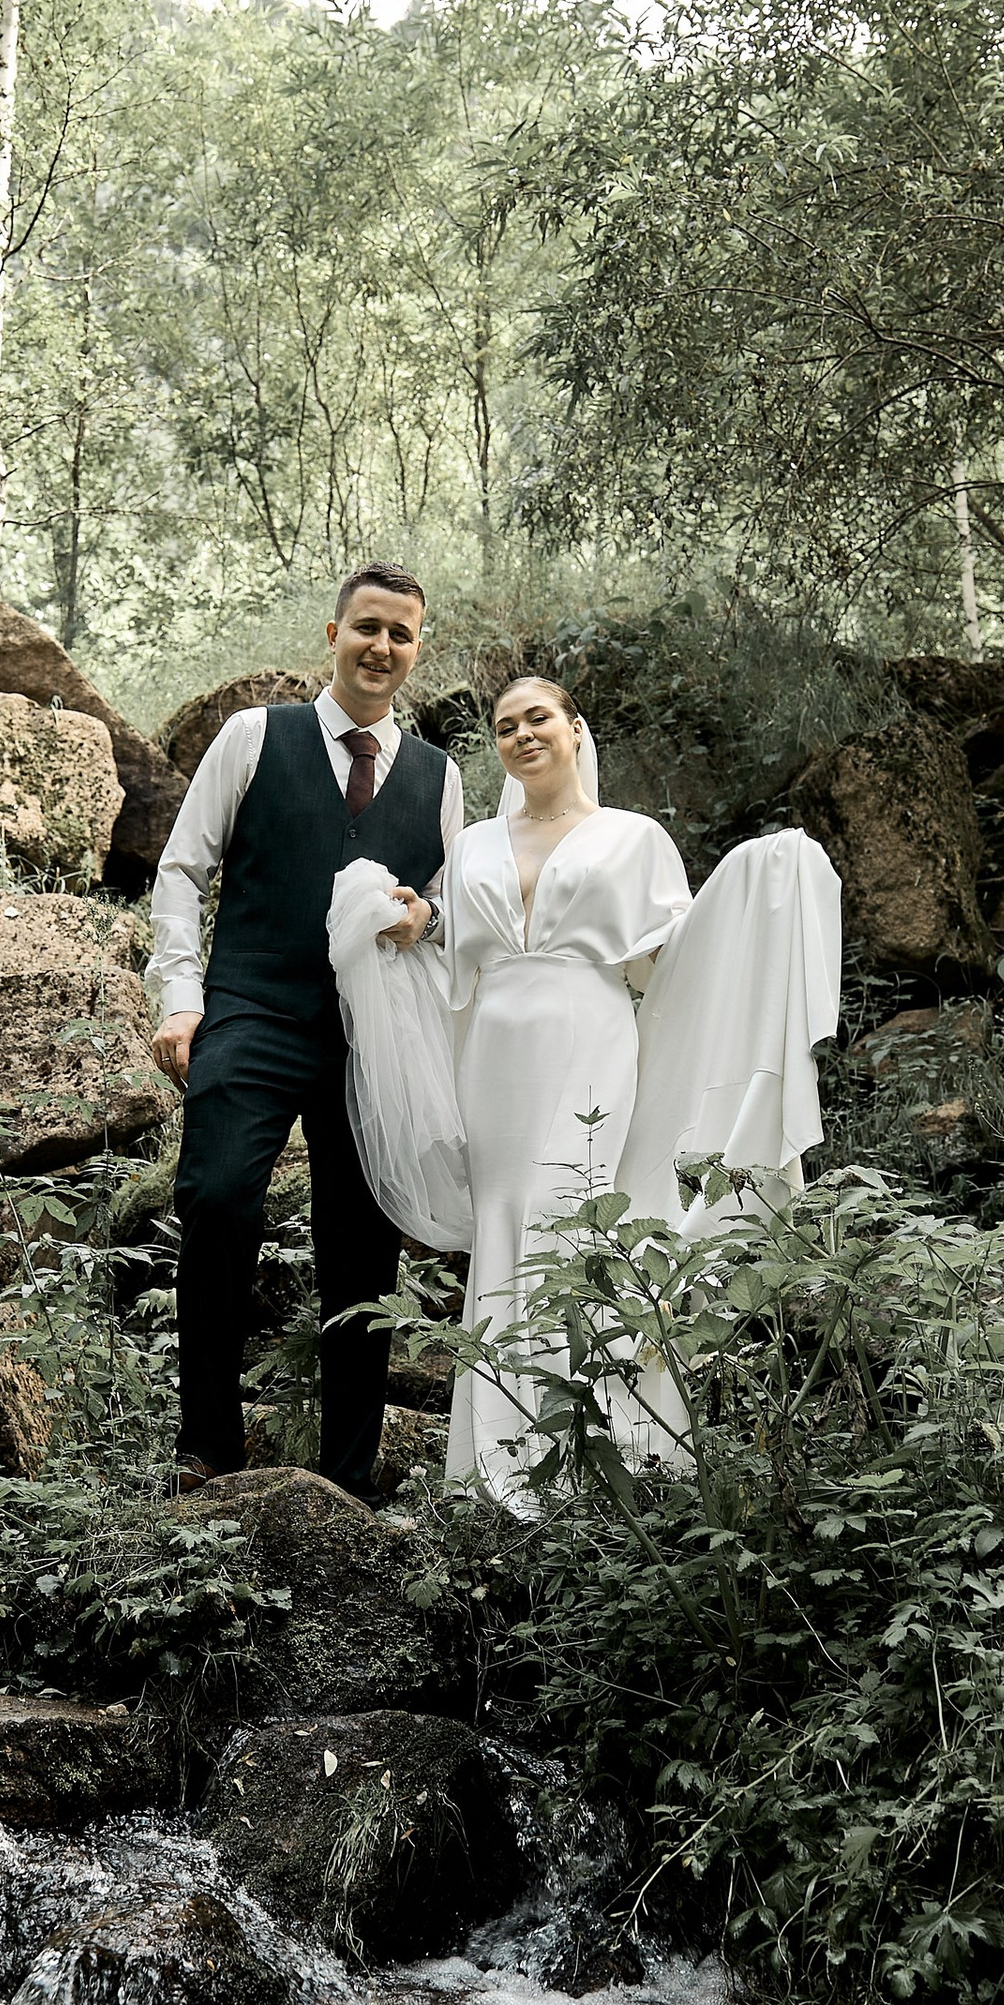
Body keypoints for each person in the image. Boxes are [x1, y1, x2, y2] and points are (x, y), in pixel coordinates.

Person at [149, 564, 461, 1496]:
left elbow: (450, 904)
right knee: (215, 1199)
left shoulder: (440, 780)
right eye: (367, 627)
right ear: (332, 634)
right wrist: (180, 995)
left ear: (416, 648)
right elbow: (180, 870)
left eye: (401, 635)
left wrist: (428, 920)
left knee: (360, 1248)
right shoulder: (255, 737)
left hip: (372, 1038)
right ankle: (208, 1446)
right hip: (249, 1009)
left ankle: (350, 1474)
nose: (382, 648)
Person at [429, 676, 691, 1496]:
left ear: (576, 729)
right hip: (494, 1051)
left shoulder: (633, 836)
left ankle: (600, 1455)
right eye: (505, 727)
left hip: (590, 1031)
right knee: (504, 1219)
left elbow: (671, 957)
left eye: (537, 718)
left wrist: (755, 894)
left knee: (569, 1212)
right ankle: (494, 1463)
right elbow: (450, 951)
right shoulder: (471, 842)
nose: (521, 735)